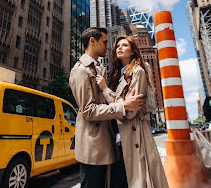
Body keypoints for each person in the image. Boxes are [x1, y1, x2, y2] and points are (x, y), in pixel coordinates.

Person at [69, 27, 144, 188]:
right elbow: (88, 110)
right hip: (93, 147)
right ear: (92, 41)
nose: (108, 46)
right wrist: (123, 106)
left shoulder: (98, 69)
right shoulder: (80, 71)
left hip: (105, 144)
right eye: (104, 42)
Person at [96, 35, 168, 188]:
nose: (119, 48)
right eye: (118, 46)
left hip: (134, 137)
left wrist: (104, 89)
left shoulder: (138, 72)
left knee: (134, 181)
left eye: (124, 45)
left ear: (133, 51)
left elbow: (130, 112)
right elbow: (123, 105)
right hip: (117, 138)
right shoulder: (117, 75)